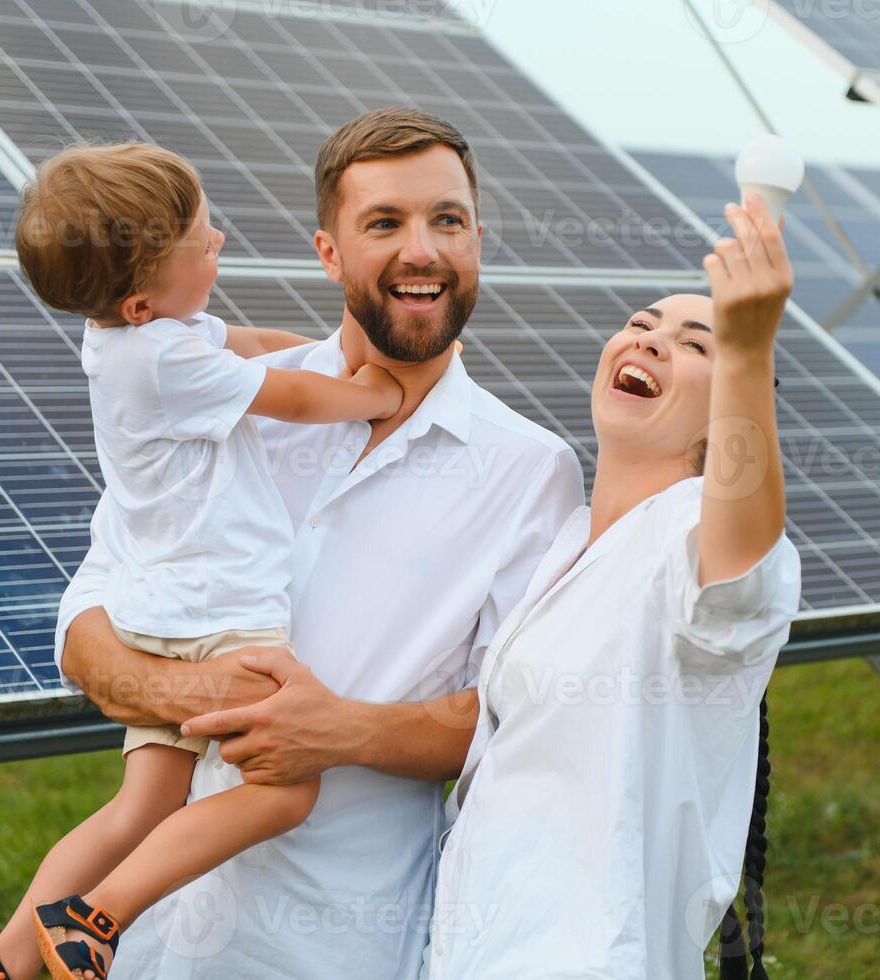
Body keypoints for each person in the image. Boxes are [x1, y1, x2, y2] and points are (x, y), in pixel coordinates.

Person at [40, 108, 585, 977]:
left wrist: (340, 731)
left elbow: (512, 722)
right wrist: (188, 688)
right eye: (384, 223)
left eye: (446, 220)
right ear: (328, 253)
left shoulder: (529, 471)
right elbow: (86, 628)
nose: (422, 250)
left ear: (476, 240)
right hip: (140, 940)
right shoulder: (225, 397)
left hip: (330, 940)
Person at [0, 141, 406, 980]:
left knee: (141, 804)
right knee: (286, 788)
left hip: (153, 612)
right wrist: (376, 392)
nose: (219, 241)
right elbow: (292, 398)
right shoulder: (165, 362)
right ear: (136, 300)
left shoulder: (131, 339)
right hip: (220, 615)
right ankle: (95, 917)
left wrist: (323, 349)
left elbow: (254, 346)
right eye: (201, 242)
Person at [420, 191, 802, 977]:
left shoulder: (696, 538)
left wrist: (748, 351)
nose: (652, 341)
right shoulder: (562, 544)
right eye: (640, 324)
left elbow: (738, 559)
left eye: (696, 344)